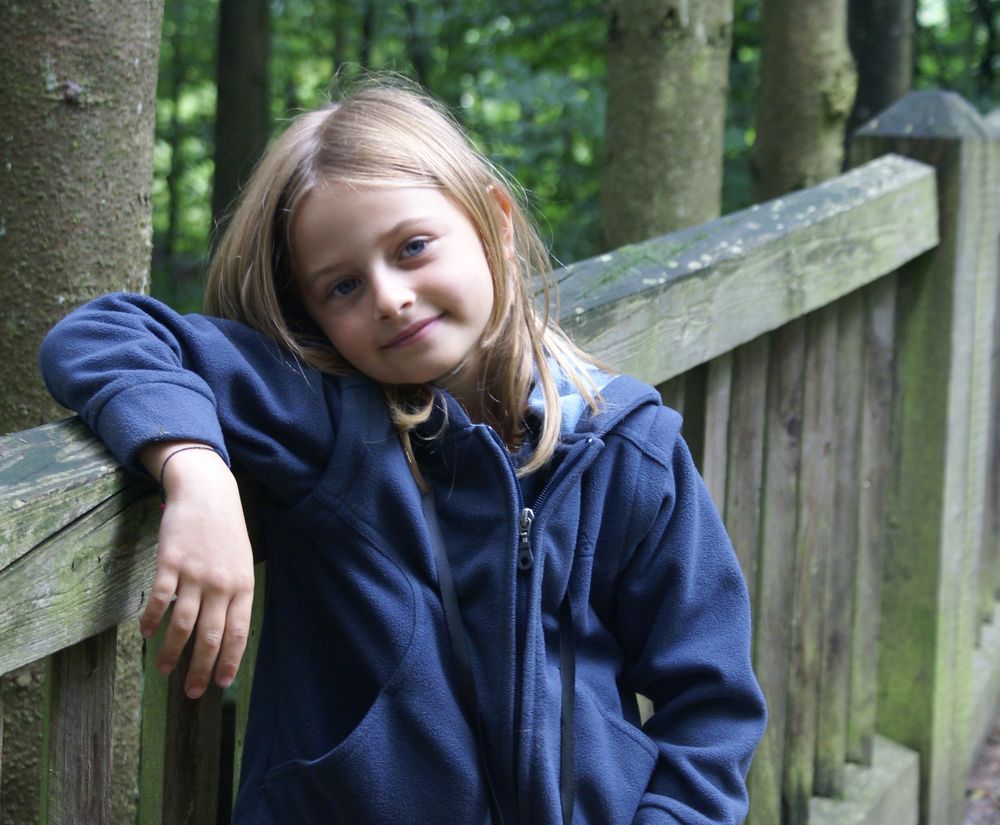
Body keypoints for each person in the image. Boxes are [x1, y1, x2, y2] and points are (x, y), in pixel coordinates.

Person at [40, 79, 766, 825]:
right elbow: (100, 334)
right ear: (313, 318)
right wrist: (197, 471)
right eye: (343, 287)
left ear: (495, 226)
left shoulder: (625, 451)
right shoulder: (328, 422)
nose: (388, 297)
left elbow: (709, 704)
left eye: (413, 247)